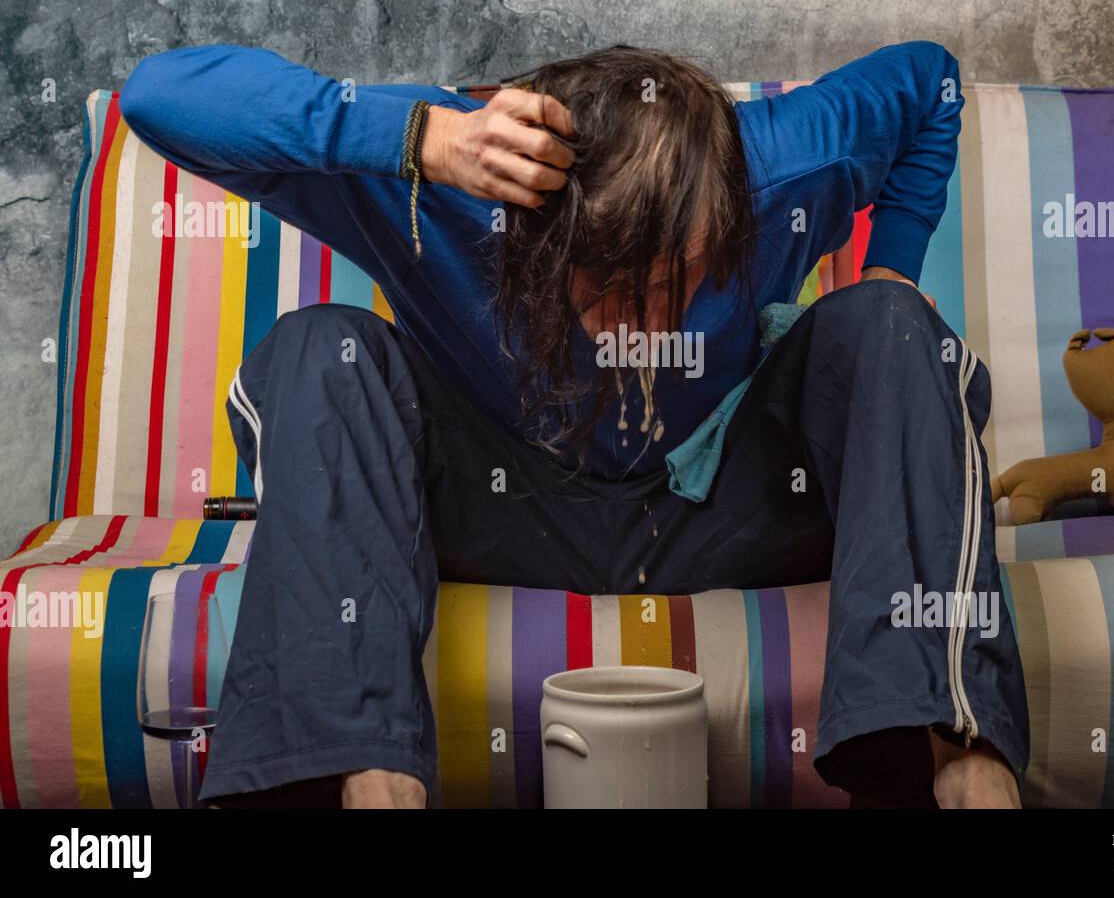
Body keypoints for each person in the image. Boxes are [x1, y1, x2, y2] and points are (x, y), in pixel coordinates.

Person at [119, 40, 1030, 809]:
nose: (642, 318)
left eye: (681, 276)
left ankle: (955, 752)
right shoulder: (450, 175)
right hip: (493, 509)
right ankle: (361, 772)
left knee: (894, 327)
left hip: (725, 510)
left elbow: (931, 81)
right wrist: (421, 137)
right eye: (606, 281)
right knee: (324, 346)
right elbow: (159, 96)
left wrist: (897, 265)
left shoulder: (785, 163)